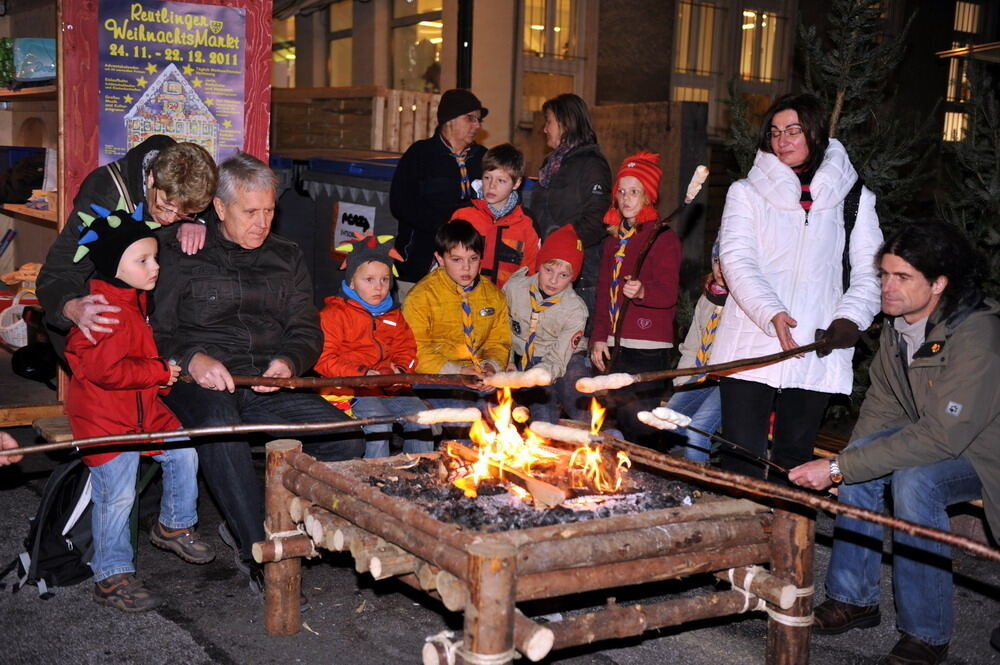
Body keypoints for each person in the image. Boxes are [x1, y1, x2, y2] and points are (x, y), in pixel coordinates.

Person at [151, 153, 364, 593]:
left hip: (266, 379)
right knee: (221, 428)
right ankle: (260, 550)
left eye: (269, 210)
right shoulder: (181, 250)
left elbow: (306, 328)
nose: (262, 222)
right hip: (199, 381)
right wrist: (192, 358)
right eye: (250, 212)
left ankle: (279, 521)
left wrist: (289, 362)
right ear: (220, 207)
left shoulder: (286, 256)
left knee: (345, 435)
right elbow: (158, 329)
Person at [789, 221, 999, 665]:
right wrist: (847, 465)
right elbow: (883, 406)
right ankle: (854, 598)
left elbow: (945, 433)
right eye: (884, 274)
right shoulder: (898, 327)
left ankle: (926, 635)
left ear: (939, 283)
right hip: (942, 439)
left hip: (986, 451)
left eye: (902, 277)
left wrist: (835, 469)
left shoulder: (978, 333)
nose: (887, 287)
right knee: (863, 461)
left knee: (914, 481)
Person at [712, 93, 883, 479]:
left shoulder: (855, 199)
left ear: (816, 133)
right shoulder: (746, 192)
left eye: (793, 130)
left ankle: (791, 537)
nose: (782, 140)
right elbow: (736, 259)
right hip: (752, 338)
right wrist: (770, 311)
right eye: (774, 132)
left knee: (795, 460)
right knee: (742, 459)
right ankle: (743, 536)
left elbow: (871, 270)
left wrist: (850, 319)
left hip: (816, 344)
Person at [64, 204, 214, 612]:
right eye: (143, 260)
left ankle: (173, 524)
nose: (155, 267)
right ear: (115, 265)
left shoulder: (133, 302)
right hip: (104, 419)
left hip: (141, 410)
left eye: (155, 258)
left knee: (184, 448)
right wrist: (157, 371)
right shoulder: (107, 311)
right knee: (118, 491)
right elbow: (104, 371)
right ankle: (111, 574)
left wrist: (159, 377)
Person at [37, 136, 217, 356]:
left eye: (182, 214)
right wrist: (70, 307)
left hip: (155, 316)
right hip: (100, 318)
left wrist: (197, 220)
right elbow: (60, 269)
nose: (170, 219)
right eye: (165, 206)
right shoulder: (105, 192)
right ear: (151, 178)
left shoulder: (190, 195)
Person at [528, 93, 612, 419]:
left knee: (574, 365)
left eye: (548, 121)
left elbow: (596, 219)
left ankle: (583, 439)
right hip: (550, 272)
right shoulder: (557, 164)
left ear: (563, 122)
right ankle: (545, 440)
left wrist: (560, 244)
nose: (544, 129)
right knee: (544, 359)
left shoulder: (590, 165)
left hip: (580, 277)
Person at [590, 151, 681, 447]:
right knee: (621, 416)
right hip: (617, 344)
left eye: (635, 191)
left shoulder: (662, 238)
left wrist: (643, 292)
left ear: (648, 197)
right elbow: (604, 291)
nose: (626, 198)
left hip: (647, 345)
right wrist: (600, 337)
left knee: (641, 419)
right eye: (622, 191)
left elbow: (668, 293)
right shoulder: (613, 241)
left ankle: (654, 470)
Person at [315, 233, 432, 458]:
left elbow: (407, 348)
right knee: (379, 426)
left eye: (384, 279)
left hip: (389, 385)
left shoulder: (393, 314)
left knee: (423, 420)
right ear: (351, 281)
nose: (378, 287)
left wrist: (400, 371)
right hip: (351, 388)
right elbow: (324, 359)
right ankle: (373, 482)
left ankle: (419, 476)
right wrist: (363, 374)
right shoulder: (334, 314)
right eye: (368, 280)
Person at [391, 89, 489, 296]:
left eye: (478, 120)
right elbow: (400, 203)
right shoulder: (420, 154)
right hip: (420, 265)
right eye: (470, 119)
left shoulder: (484, 158)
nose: (477, 125)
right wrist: (446, 227)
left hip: (469, 270)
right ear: (450, 120)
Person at [402, 220, 510, 400]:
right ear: (440, 259)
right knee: (464, 418)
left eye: (473, 259)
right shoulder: (421, 297)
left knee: (505, 413)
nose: (466, 267)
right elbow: (416, 350)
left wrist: (491, 368)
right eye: (456, 259)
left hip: (478, 374)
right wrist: (458, 372)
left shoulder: (493, 295)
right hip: (434, 375)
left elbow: (498, 342)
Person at [503, 224, 588, 422]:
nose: (553, 280)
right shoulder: (514, 288)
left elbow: (559, 359)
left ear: (573, 278)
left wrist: (538, 374)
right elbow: (501, 330)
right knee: (542, 412)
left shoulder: (575, 309)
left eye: (564, 275)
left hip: (566, 356)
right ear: (539, 264)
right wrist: (506, 362)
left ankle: (593, 442)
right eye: (548, 270)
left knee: (578, 396)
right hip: (525, 357)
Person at [662, 241, 728, 462]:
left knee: (697, 430)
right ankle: (682, 467)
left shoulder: (744, 303)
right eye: (717, 261)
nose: (721, 268)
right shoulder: (707, 298)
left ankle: (697, 483)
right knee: (668, 419)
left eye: (729, 262)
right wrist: (683, 381)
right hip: (702, 375)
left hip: (730, 380)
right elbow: (693, 343)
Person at [449, 143, 539, 287]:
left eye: (501, 180)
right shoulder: (463, 215)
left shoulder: (526, 223)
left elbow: (531, 272)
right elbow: (447, 261)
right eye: (487, 178)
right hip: (465, 299)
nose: (492, 186)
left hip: (507, 303)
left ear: (516, 183)